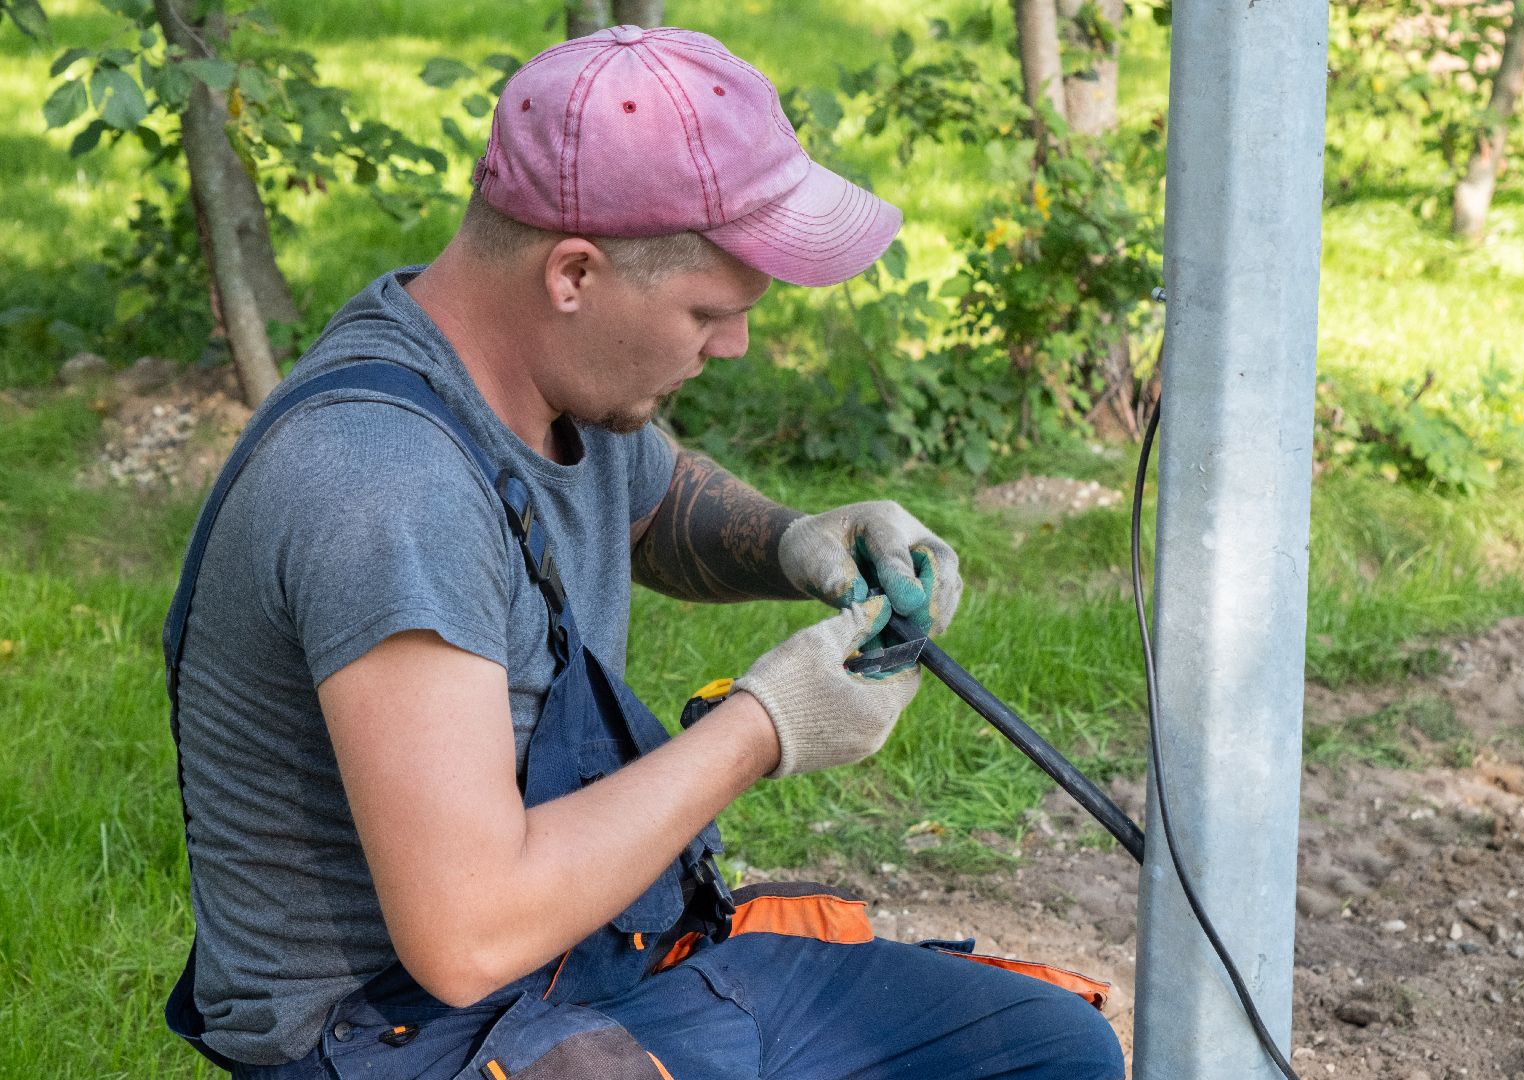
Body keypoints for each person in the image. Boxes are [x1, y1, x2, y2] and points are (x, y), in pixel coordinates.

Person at [162, 24, 1125, 1080]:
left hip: (590, 971)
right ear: (573, 272)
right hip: (410, 1037)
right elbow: (466, 934)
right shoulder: (388, 489)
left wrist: (801, 541)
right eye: (711, 312)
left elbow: (654, 506)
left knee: (1044, 1050)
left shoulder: (533, 373)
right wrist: (764, 727)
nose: (737, 345)